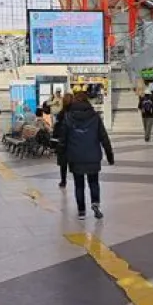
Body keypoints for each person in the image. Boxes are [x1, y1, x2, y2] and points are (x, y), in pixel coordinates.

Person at [58, 92, 114, 220]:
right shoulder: (95, 117)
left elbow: (63, 140)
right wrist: (110, 155)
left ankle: (81, 211)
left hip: (75, 156)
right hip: (93, 156)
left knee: (79, 185)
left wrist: (61, 156)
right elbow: (104, 138)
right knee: (94, 182)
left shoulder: (68, 117)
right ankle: (95, 204)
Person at [53, 93, 73, 188]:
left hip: (63, 142)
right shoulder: (75, 113)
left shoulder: (61, 113)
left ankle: (63, 181)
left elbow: (56, 129)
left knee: (63, 164)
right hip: (74, 142)